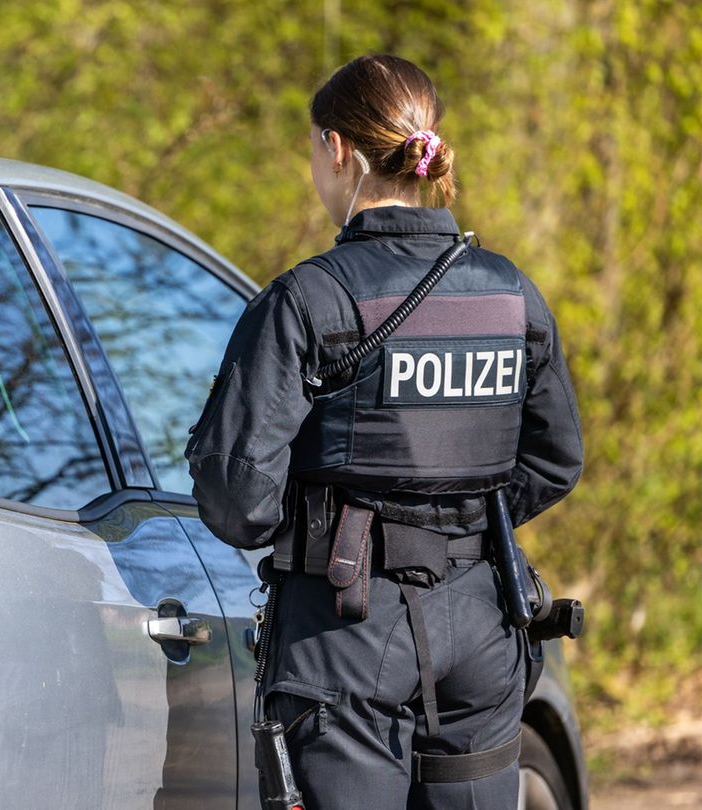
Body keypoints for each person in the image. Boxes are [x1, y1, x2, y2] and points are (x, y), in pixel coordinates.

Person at [187, 54, 583, 808]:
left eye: (313, 151)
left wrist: (323, 528)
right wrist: (461, 521)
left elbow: (236, 497)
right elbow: (556, 458)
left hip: (346, 630)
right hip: (485, 620)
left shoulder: (308, 301)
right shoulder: (511, 295)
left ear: (338, 150)